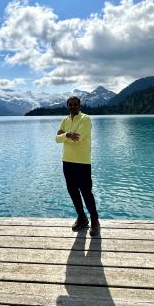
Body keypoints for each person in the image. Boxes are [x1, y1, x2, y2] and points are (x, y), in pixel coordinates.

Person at [55, 96, 100, 236]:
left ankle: (95, 221)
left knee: (86, 192)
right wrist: (68, 134)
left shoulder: (85, 119)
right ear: (67, 106)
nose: (73, 106)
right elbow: (57, 139)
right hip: (67, 161)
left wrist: (64, 136)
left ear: (79, 106)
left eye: (75, 104)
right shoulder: (65, 120)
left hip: (82, 162)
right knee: (72, 191)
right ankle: (82, 218)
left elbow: (78, 138)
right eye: (70, 104)